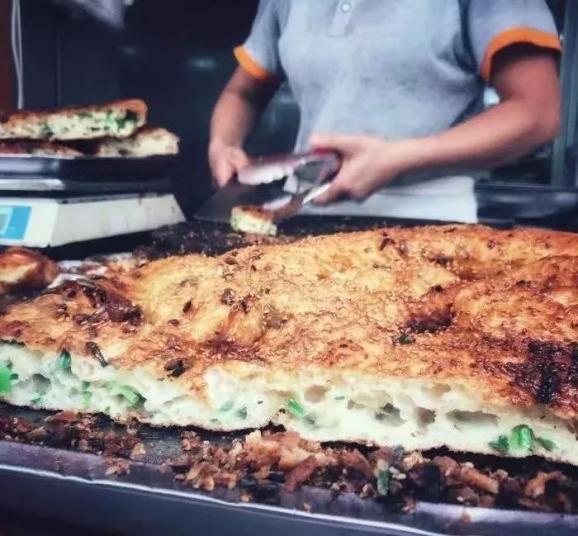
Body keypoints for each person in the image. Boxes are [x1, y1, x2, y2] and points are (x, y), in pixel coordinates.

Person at [208, 0, 561, 222]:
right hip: (301, 212)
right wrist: (223, 143)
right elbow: (243, 93)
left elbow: (537, 111)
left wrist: (399, 157)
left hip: (429, 220)